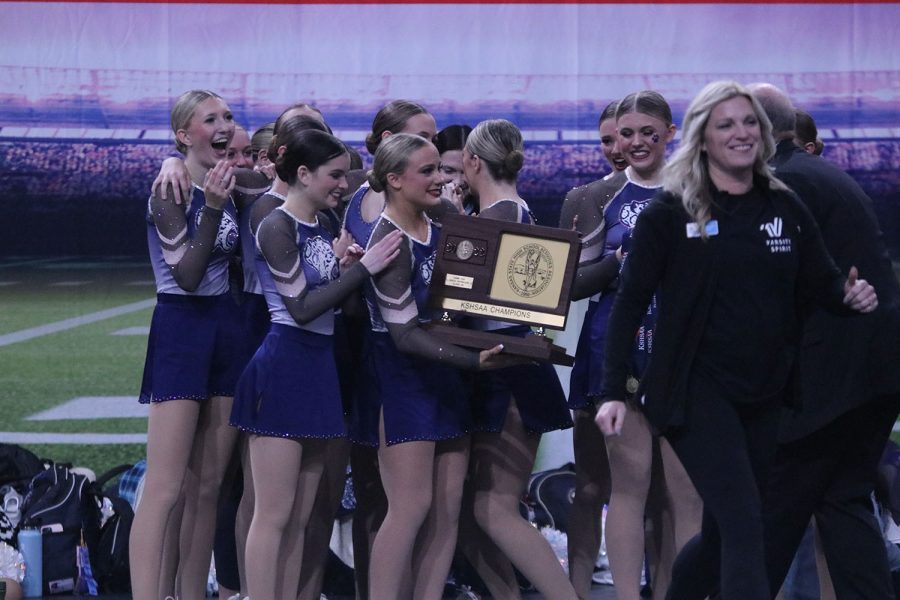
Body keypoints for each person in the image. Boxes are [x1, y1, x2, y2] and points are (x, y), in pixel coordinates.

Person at [595, 80, 878, 600]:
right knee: (750, 525)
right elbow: (630, 301)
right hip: (695, 393)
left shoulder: (785, 206)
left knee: (728, 530)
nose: (742, 133)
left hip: (767, 393)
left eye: (750, 122)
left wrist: (849, 295)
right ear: (703, 138)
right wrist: (613, 390)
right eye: (726, 124)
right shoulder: (672, 211)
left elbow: (821, 280)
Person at [228, 128, 403, 600]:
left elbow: (330, 300)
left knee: (304, 515)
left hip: (318, 368)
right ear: (302, 174)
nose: (343, 185)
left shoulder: (324, 225)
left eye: (344, 175)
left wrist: (347, 270)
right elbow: (302, 308)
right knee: (275, 512)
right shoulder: (275, 224)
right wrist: (362, 271)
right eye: (334, 176)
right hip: (284, 366)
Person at [749, 82, 900, 599]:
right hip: (873, 375)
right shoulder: (819, 175)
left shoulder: (786, 184)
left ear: (757, 128)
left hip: (827, 382)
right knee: (843, 502)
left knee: (768, 512)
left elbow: (773, 290)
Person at [360, 133, 512, 600]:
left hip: (447, 377)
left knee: (446, 509)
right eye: (427, 171)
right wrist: (473, 360)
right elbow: (405, 336)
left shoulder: (437, 226)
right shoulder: (389, 241)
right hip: (406, 383)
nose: (441, 179)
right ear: (394, 179)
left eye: (441, 169)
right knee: (409, 508)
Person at [564, 92, 700, 600]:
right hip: (618, 349)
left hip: (685, 353)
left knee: (684, 494)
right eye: (626, 133)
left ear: (670, 132)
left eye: (648, 131)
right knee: (629, 487)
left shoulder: (695, 191)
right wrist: (623, 261)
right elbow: (570, 281)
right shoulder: (599, 198)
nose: (636, 142)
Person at [458, 118, 577, 600]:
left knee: (492, 507)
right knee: (473, 508)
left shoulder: (490, 221)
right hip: (509, 362)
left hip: (504, 368)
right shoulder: (517, 211)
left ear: (471, 162)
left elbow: (483, 308)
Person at [131, 89, 243, 600]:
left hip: (226, 329)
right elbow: (190, 276)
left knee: (207, 486)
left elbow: (316, 174)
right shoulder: (167, 191)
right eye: (210, 119)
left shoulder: (233, 181)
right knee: (166, 486)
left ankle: (193, 592)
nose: (223, 125)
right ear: (183, 134)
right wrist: (212, 205)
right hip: (181, 327)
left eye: (228, 116)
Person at [341, 99, 439, 599]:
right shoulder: (356, 198)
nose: (434, 151)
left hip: (412, 354)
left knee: (410, 499)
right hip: (372, 356)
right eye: (422, 138)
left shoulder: (433, 206)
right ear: (387, 147)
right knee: (378, 496)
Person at [558, 100, 624, 597]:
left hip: (666, 347)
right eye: (606, 140)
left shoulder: (682, 193)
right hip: (603, 344)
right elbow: (564, 284)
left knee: (661, 491)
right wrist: (619, 263)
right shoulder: (585, 196)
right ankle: (576, 590)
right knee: (591, 484)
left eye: (624, 136)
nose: (618, 148)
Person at [434, 124, 477, 214]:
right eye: (449, 171)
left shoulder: (490, 212)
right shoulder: (419, 211)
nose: (458, 182)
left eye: (465, 172)